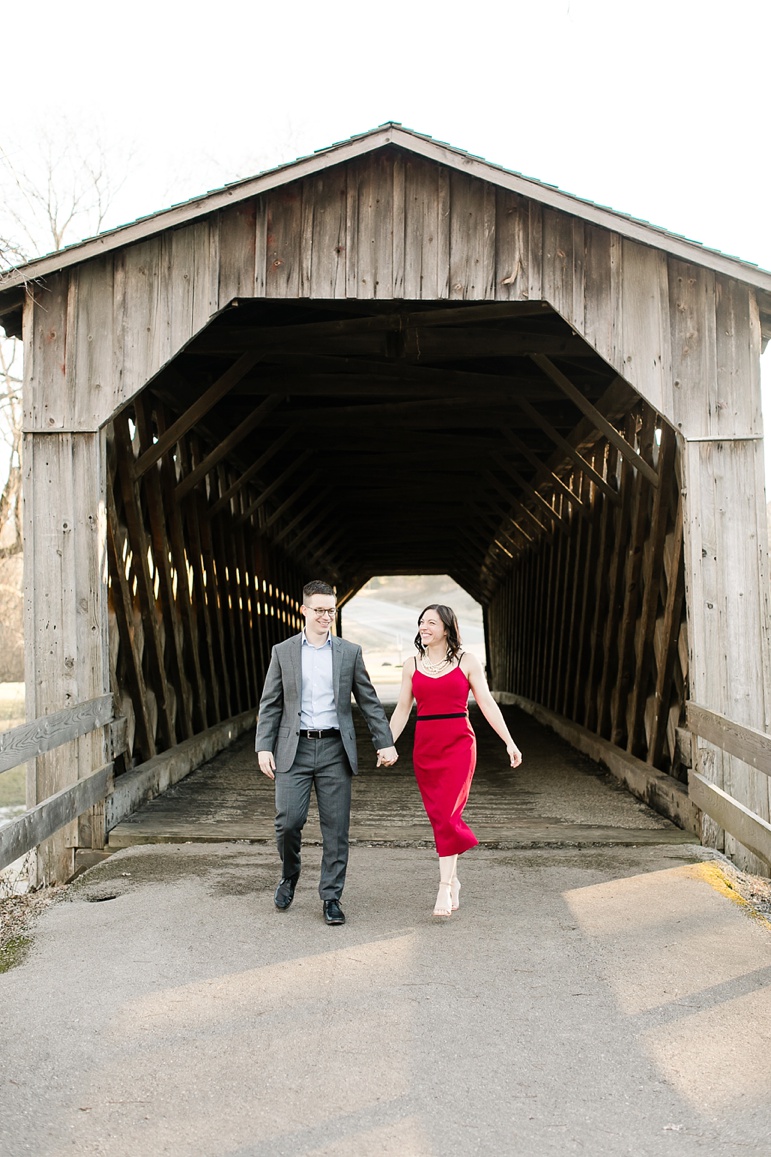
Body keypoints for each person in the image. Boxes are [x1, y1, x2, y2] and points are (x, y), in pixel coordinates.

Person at [255, 580, 398, 926]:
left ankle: (331, 896)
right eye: (319, 610)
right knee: (288, 822)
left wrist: (385, 740)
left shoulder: (349, 652)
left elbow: (368, 701)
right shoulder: (283, 651)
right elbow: (271, 704)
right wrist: (263, 746)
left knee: (336, 829)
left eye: (331, 610)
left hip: (336, 748)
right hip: (294, 748)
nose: (326, 616)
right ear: (303, 610)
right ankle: (290, 873)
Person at [388, 604, 522, 918]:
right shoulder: (411, 665)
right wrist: (386, 743)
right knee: (440, 818)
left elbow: (487, 703)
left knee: (449, 815)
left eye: (431, 622)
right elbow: (403, 710)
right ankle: (453, 878)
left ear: (447, 628)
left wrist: (509, 741)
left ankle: (444, 887)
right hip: (425, 747)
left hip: (459, 745)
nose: (424, 627)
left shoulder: (467, 661)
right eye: (421, 622)